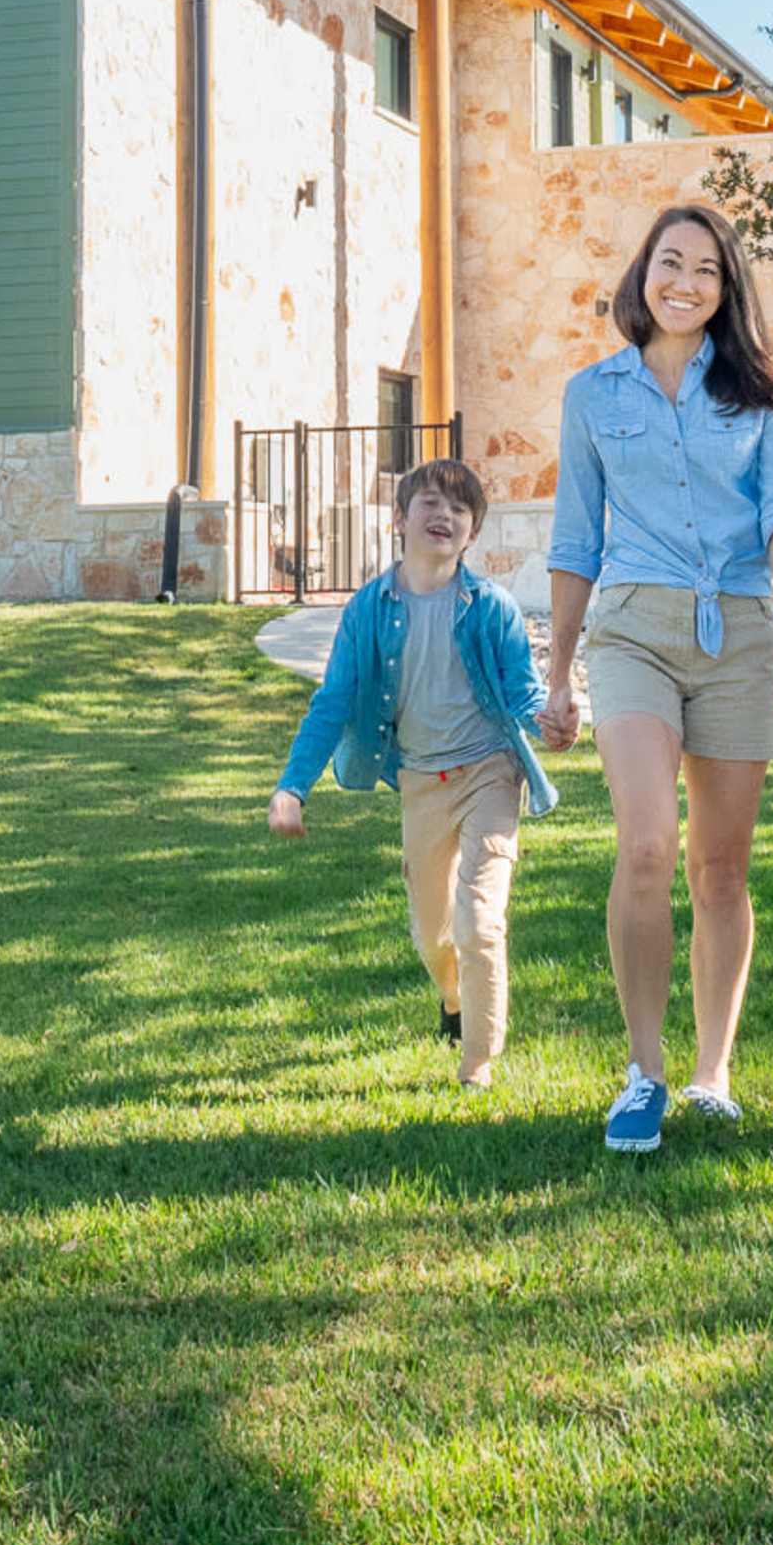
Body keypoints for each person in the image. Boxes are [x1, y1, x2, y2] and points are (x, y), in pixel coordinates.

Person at [543, 201, 773, 1154]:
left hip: (740, 629)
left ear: (727, 287)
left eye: (707, 268)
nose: (686, 282)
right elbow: (576, 539)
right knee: (650, 843)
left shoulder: (765, 396)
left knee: (721, 865)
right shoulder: (595, 394)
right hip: (634, 632)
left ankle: (713, 1072)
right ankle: (644, 1071)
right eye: (671, 262)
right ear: (643, 272)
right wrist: (561, 670)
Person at [267, 458, 561, 1090]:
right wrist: (292, 787)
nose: (444, 515)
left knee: (480, 918)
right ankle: (452, 999)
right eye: (430, 502)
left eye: (459, 509)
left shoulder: (493, 608)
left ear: (472, 533)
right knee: (433, 936)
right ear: (400, 519)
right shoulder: (368, 611)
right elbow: (333, 702)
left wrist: (550, 723)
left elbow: (523, 694)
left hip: (490, 771)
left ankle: (477, 1063)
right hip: (421, 784)